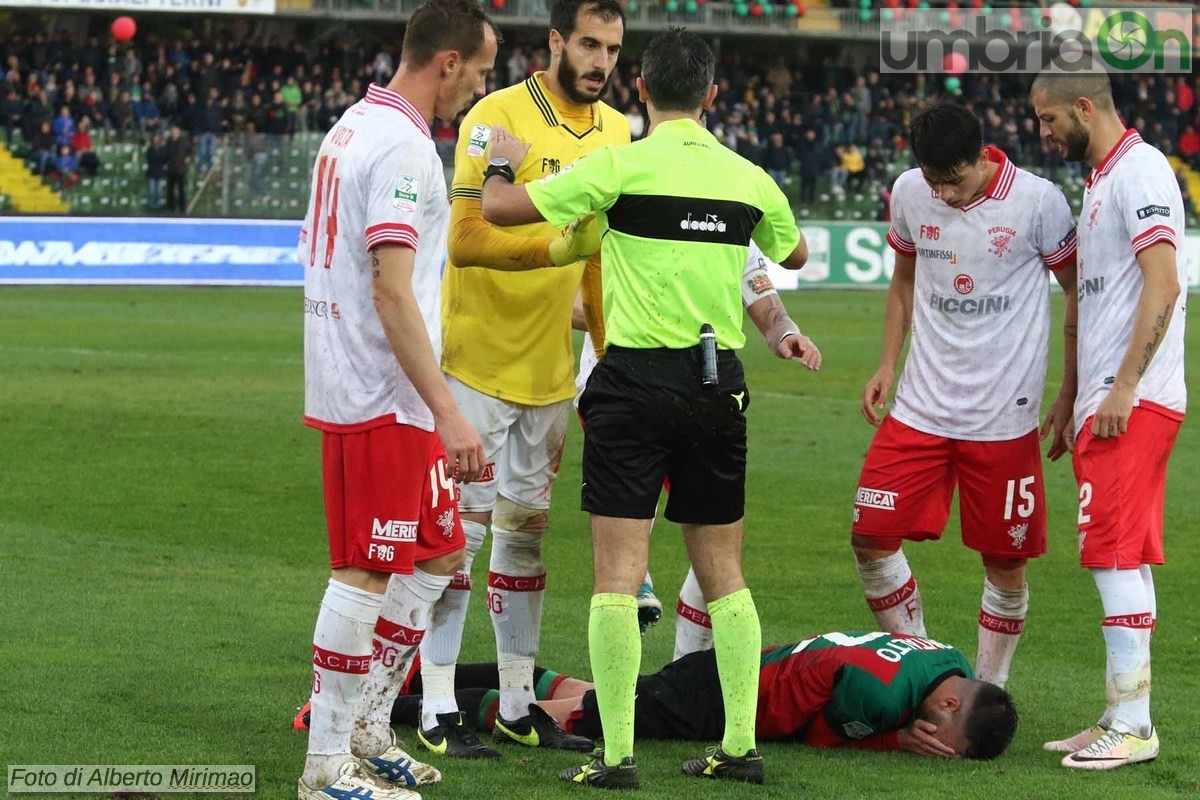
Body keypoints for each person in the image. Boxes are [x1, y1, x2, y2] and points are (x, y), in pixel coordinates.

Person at [482, 26, 810, 788]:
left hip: (633, 385)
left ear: (640, 91)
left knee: (617, 577)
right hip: (716, 386)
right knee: (725, 575)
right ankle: (738, 748)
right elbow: (792, 254)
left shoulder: (618, 167)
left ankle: (618, 757)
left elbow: (499, 209)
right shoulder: (747, 176)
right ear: (713, 95)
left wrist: (500, 155)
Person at [296, 1, 496, 798]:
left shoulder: (356, 124)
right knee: (365, 571)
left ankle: (371, 726)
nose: (478, 88)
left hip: (391, 392)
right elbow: (390, 288)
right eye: (478, 72)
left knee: (440, 558)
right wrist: (447, 408)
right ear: (446, 63)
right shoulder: (405, 149)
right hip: (381, 393)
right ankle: (324, 768)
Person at [419, 0, 628, 761]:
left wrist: (610, 359)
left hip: (549, 376)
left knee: (526, 540)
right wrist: (556, 247)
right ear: (554, 41)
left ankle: (514, 703)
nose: (601, 61)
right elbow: (467, 240)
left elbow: (601, 259)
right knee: (458, 540)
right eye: (588, 43)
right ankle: (438, 704)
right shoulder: (493, 117)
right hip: (476, 364)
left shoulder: (617, 133)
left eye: (611, 47)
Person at [850, 103, 1078, 695]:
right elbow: (903, 279)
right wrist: (885, 365)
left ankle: (989, 688)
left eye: (954, 180)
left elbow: (1078, 294)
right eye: (933, 181)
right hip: (919, 409)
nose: (943, 195)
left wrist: (1071, 388)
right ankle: (924, 668)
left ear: (982, 157)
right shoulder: (909, 191)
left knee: (1005, 562)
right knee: (870, 537)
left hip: (1005, 419)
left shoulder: (1039, 202)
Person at [1031, 71, 1186, 771]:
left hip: (1134, 397)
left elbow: (1165, 280)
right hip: (1104, 396)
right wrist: (1070, 398)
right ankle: (1121, 712)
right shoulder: (1100, 183)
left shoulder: (1142, 169)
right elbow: (1090, 305)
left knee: (1111, 554)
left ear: (1084, 108)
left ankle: (1133, 723)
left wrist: (1124, 386)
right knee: (1125, 554)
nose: (1043, 132)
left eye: (1047, 120)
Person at [572, 244, 822, 656]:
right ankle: (624, 694)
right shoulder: (624, 194)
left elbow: (764, 281)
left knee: (719, 555)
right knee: (622, 570)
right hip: (621, 391)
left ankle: (683, 676)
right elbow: (568, 299)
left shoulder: (731, 200)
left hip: (704, 395)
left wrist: (785, 332)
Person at [382, 631, 1018, 762]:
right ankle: (399, 707)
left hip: (738, 667)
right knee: (579, 717)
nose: (932, 740)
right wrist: (894, 738)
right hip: (724, 697)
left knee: (593, 694)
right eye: (941, 735)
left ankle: (415, 674)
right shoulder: (883, 701)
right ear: (951, 705)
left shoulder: (948, 659)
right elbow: (816, 734)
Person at [164, 125, 190, 214]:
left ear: (178, 132)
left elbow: (190, 151)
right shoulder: (168, 142)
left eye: (175, 131)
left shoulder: (184, 141)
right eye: (173, 131)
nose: (174, 133)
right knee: (170, 190)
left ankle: (182, 208)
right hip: (171, 169)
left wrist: (188, 158)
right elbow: (166, 153)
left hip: (181, 170)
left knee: (181, 190)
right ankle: (170, 208)